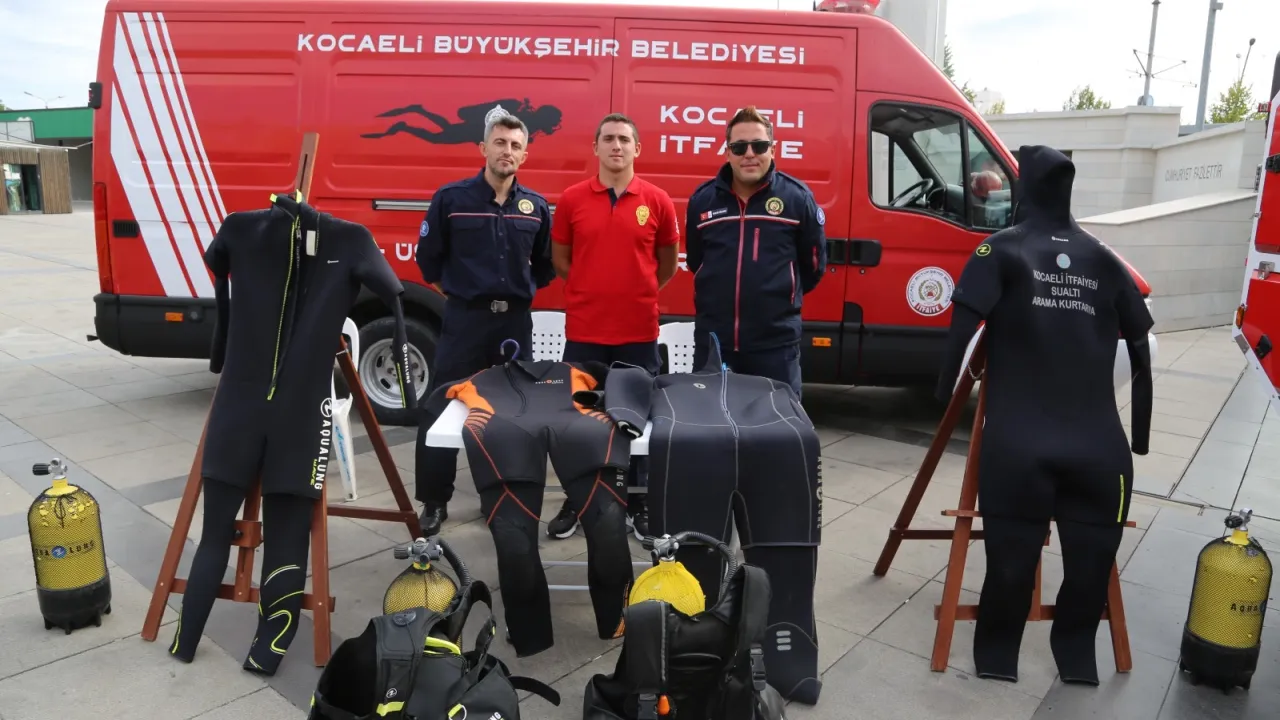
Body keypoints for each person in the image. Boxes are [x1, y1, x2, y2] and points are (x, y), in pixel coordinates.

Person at [413, 113, 556, 536]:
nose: (507, 151)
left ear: (524, 155)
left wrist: (516, 291)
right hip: (466, 321)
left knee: (512, 412)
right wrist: (463, 295)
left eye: (515, 145)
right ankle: (434, 500)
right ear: (483, 148)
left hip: (514, 324)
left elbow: (545, 266)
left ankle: (501, 493)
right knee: (442, 405)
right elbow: (429, 261)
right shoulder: (451, 199)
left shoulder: (536, 207)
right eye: (500, 142)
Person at [545, 113, 680, 541]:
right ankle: (577, 499)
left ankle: (637, 501)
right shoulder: (572, 199)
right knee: (579, 423)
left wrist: (635, 292)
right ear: (596, 147)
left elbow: (666, 265)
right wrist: (591, 289)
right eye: (608, 138)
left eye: (624, 138)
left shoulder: (657, 200)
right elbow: (561, 260)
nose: (616, 145)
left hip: (638, 334)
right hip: (584, 333)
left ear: (637, 148)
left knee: (637, 423)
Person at [683, 106, 828, 398]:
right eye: (739, 147)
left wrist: (779, 298)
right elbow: (697, 260)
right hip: (714, 344)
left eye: (759, 146)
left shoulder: (797, 199)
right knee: (710, 422)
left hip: (775, 346)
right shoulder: (702, 201)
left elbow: (812, 267)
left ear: (773, 150)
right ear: (727, 153)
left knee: (777, 424)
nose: (749, 154)